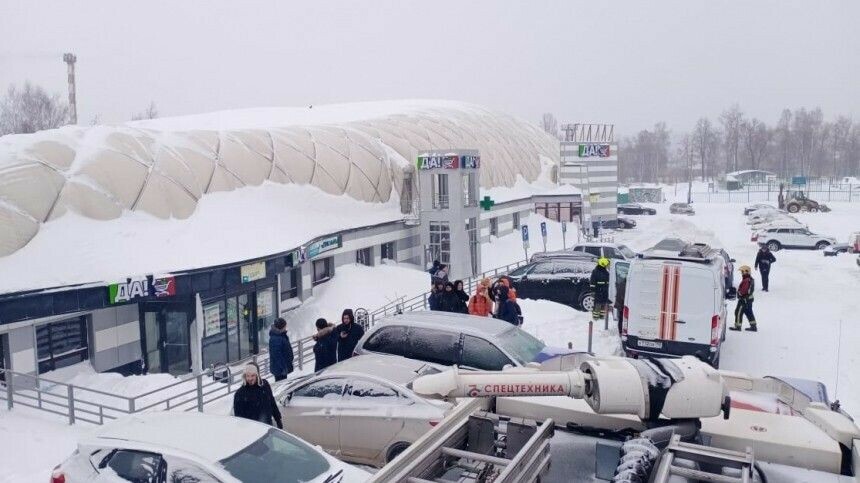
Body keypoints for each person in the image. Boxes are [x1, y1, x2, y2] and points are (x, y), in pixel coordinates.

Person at [233, 363, 282, 428]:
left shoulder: (265, 385)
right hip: (253, 431)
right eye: (247, 376)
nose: (250, 378)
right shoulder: (240, 394)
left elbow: (272, 403)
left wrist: (278, 419)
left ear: (257, 375)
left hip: (268, 426)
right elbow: (240, 419)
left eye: (253, 375)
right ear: (244, 376)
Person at [730, 265, 757, 332]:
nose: (741, 273)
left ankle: (738, 326)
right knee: (748, 312)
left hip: (744, 300)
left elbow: (743, 291)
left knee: (738, 312)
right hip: (748, 300)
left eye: (742, 271)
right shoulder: (750, 279)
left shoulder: (746, 280)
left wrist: (738, 293)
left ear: (746, 272)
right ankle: (753, 326)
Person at [268, 318, 294, 382]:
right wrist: (283, 367)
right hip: (280, 369)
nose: (286, 327)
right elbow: (276, 355)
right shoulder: (276, 338)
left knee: (283, 383)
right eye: (285, 326)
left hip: (281, 367)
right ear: (281, 327)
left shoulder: (280, 335)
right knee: (281, 385)